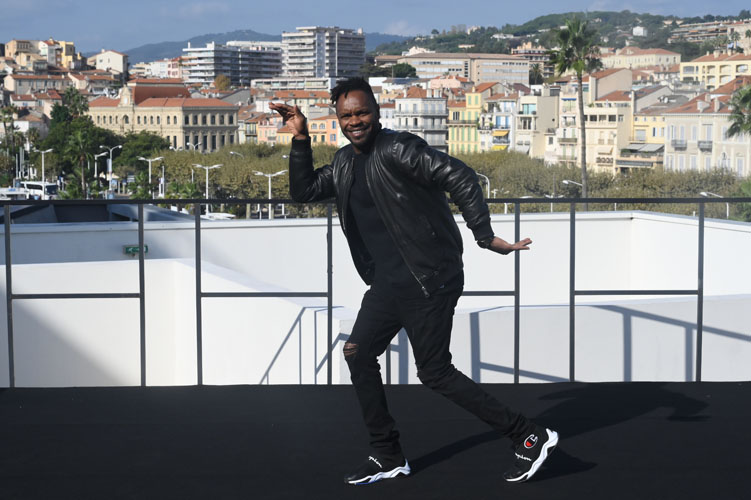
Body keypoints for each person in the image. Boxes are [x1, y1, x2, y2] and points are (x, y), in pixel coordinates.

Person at [271, 77, 557, 485]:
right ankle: (387, 455)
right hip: (388, 284)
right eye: (346, 116)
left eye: (362, 112)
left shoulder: (399, 149)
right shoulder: (345, 162)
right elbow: (304, 191)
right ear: (337, 119)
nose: (355, 121)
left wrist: (483, 235)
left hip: (429, 278)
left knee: (435, 372)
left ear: (377, 112)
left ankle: (529, 435)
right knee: (357, 354)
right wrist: (300, 138)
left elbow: (461, 176)